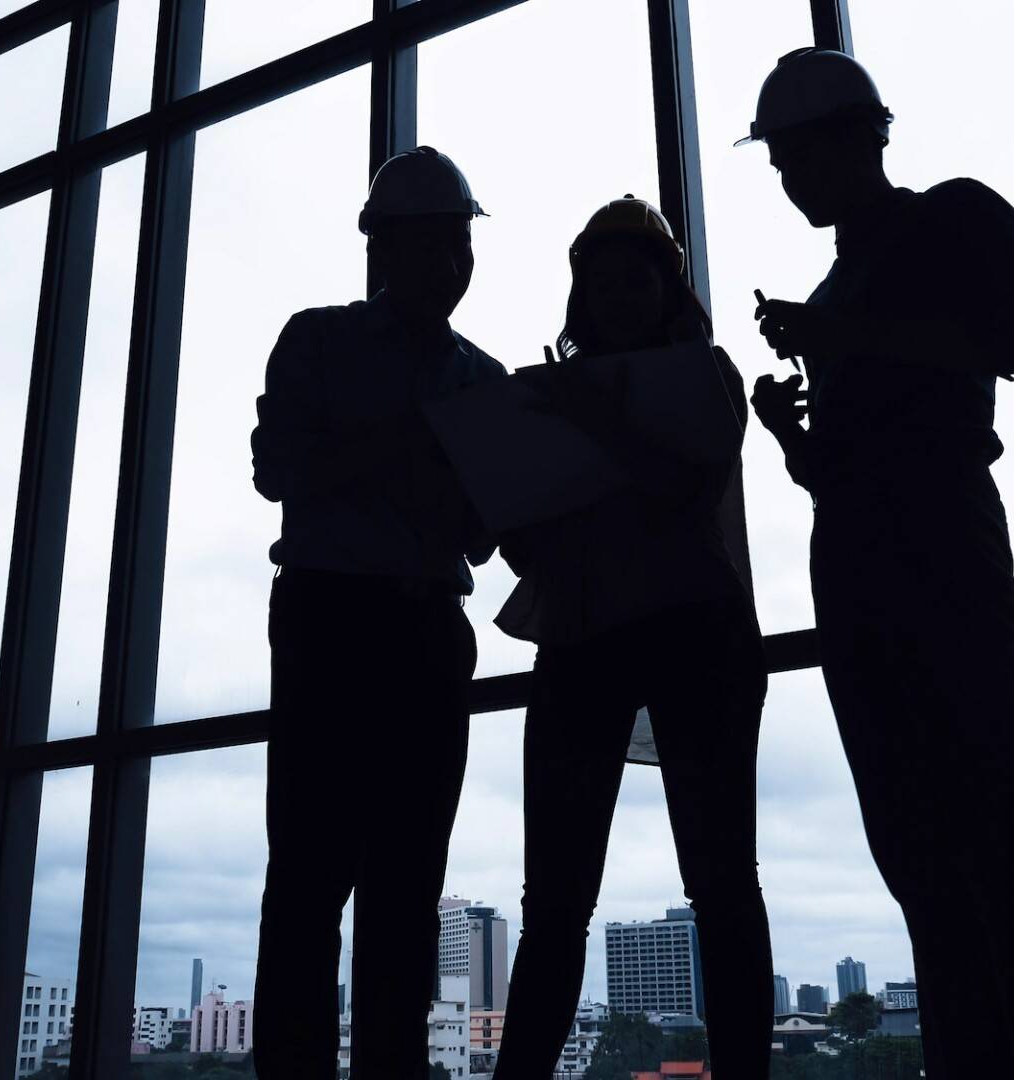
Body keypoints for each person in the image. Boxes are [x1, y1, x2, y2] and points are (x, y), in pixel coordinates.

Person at [739, 49, 1014, 1078]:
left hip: (940, 531)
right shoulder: (835, 283)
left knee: (994, 794)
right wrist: (786, 436)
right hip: (857, 549)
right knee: (910, 827)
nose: (789, 180)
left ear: (863, 137)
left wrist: (841, 331)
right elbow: (842, 469)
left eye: (797, 155)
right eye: (777, 164)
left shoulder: (950, 217)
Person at [491, 197, 774, 1079]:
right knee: (711, 887)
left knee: (579, 903)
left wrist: (567, 431)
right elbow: (531, 536)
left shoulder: (701, 378)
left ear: (664, 288)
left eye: (631, 278)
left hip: (605, 636)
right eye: (601, 282)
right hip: (679, 632)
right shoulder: (699, 377)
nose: (615, 295)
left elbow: (678, 490)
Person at [248, 146, 505, 1079]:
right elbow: (280, 470)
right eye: (431, 245)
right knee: (318, 878)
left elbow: (482, 533)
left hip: (413, 626)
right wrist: (423, 453)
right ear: (382, 249)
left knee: (397, 889)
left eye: (458, 247)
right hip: (339, 620)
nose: (448, 266)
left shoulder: (480, 378)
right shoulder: (326, 343)